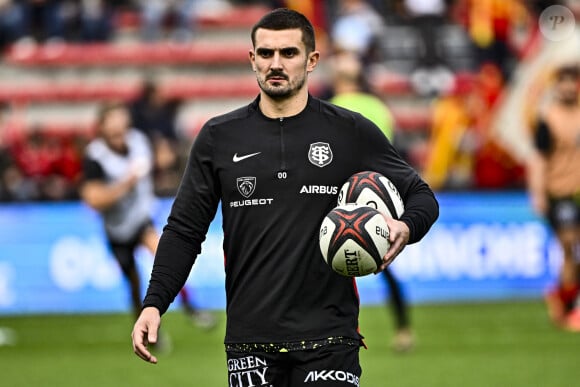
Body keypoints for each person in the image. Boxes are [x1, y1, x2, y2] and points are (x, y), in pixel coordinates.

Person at [132, 8, 439, 385]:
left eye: (288, 53)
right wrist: (154, 303)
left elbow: (422, 196)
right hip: (251, 342)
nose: (275, 63)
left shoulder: (349, 130)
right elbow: (183, 230)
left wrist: (406, 226)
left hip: (330, 335)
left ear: (311, 61)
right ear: (252, 59)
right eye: (266, 53)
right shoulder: (218, 137)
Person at [79, 102, 216, 328]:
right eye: (113, 122)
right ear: (102, 127)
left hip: (141, 218)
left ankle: (192, 307)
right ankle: (142, 325)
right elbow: (93, 199)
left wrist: (167, 156)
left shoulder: (139, 141)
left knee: (165, 257)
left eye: (121, 121)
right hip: (116, 228)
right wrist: (126, 183)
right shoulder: (95, 157)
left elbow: (161, 158)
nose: (119, 127)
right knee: (133, 283)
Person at [328, 50, 414, 352]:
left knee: (333, 265)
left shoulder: (332, 108)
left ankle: (342, 330)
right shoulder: (379, 106)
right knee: (385, 264)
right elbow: (392, 151)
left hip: (343, 196)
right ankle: (404, 329)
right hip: (380, 194)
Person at [526, 63, 580, 332]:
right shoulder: (548, 119)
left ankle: (560, 295)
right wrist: (538, 193)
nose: (569, 87)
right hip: (561, 192)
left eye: (573, 82)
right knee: (569, 247)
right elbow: (539, 160)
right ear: (557, 86)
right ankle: (570, 309)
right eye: (564, 82)